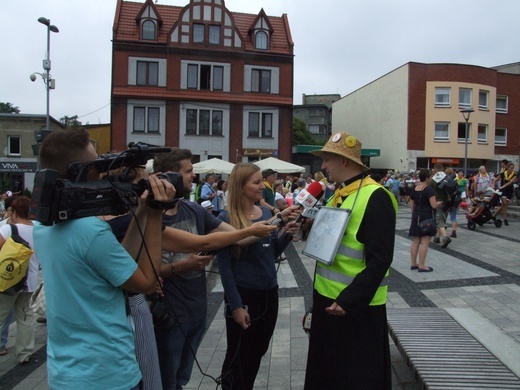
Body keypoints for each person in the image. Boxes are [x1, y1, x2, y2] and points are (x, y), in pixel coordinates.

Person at [33, 127, 176, 390]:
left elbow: (122, 263)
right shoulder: (89, 231)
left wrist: (142, 211)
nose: (103, 175)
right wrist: (156, 214)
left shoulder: (43, 227)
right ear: (83, 173)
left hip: (66, 373)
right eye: (98, 167)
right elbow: (145, 283)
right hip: (107, 373)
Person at [152, 150, 276, 390]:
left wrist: (273, 227)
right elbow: (144, 272)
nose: (194, 178)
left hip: (197, 310)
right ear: (166, 176)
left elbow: (235, 239)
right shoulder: (151, 217)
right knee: (166, 379)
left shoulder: (193, 210)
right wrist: (181, 266)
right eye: (188, 172)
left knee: (181, 378)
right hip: (168, 314)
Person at [304, 132, 397, 389]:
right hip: (327, 302)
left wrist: (349, 300)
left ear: (344, 161)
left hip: (356, 309)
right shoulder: (338, 194)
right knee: (328, 374)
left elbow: (381, 259)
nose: (322, 166)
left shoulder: (376, 197)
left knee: (357, 377)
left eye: (327, 160)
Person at [217, 163, 300, 389]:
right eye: (256, 182)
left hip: (269, 294)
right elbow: (224, 268)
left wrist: (286, 237)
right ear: (241, 186)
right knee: (238, 357)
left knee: (257, 353)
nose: (262, 186)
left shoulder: (264, 212)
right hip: (244, 297)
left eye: (261, 180)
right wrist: (235, 306)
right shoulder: (226, 219)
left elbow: (271, 252)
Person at [0, 196, 39, 364]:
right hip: (29, 282)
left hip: (8, 282)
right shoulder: (39, 230)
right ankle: (24, 353)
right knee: (25, 317)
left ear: (14, 212)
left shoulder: (8, 229)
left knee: (1, 316)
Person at [408, 169, 443, 272]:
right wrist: (439, 204)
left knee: (415, 241)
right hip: (426, 216)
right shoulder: (429, 190)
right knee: (425, 241)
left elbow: (411, 206)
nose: (431, 178)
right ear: (427, 178)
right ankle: (422, 265)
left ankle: (413, 263)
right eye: (430, 176)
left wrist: (416, 213)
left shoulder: (414, 189)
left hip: (416, 216)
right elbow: (433, 205)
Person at [431, 164, 452, 248]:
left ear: (435, 169)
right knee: (442, 219)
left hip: (438, 201)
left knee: (439, 220)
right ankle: (437, 237)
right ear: (443, 169)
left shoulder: (434, 179)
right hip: (448, 202)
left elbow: (430, 191)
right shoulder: (447, 177)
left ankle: (445, 237)